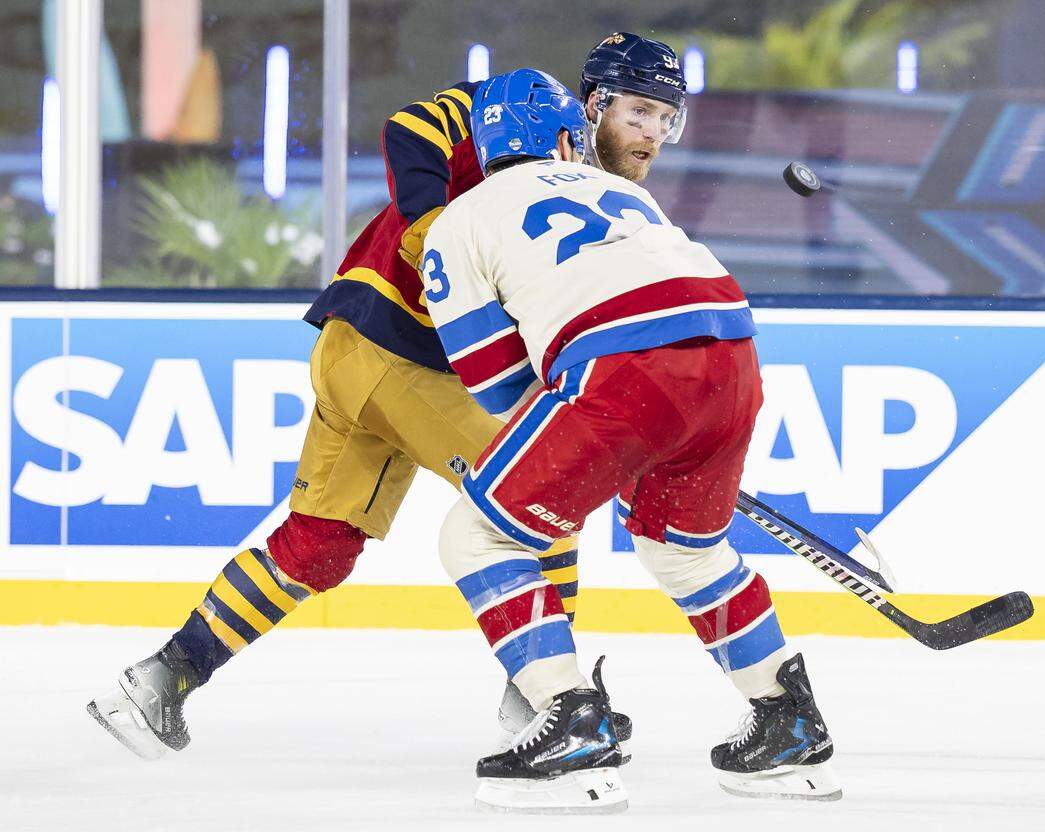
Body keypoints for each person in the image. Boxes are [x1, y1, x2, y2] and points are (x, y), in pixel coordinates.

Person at [85, 33, 688, 762]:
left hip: (361, 357)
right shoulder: (524, 109)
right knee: (546, 498)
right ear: (593, 104)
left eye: (666, 118)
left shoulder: (611, 197)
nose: (653, 133)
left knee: (321, 545)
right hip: (402, 354)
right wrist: (434, 226)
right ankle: (553, 702)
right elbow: (411, 126)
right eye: (641, 111)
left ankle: (162, 679)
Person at [423, 69, 841, 814]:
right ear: (564, 137)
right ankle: (787, 721)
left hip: (625, 371)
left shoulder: (458, 222)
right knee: (686, 550)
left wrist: (608, 442)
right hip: (731, 350)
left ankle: (569, 721)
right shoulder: (623, 192)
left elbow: (498, 389)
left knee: (477, 538)